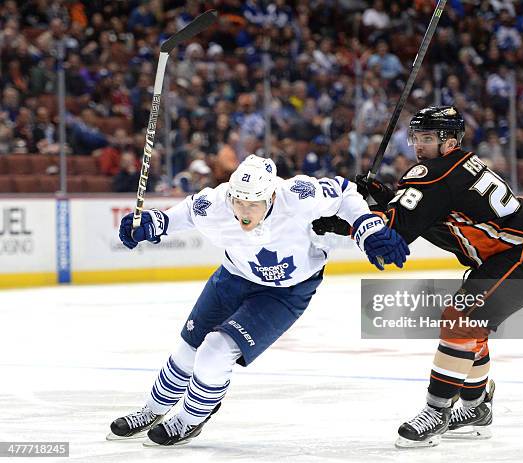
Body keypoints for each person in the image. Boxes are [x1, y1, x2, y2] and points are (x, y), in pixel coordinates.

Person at [108, 154, 408, 446]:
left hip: (287, 291)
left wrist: (368, 229)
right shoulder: (216, 203)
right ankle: (153, 409)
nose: (243, 212)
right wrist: (153, 222)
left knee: (216, 351)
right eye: (238, 202)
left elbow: (344, 192)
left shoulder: (298, 195)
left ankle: (190, 418)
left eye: (253, 204)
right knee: (188, 348)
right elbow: (185, 213)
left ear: (272, 197)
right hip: (233, 277)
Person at [312, 106, 523, 448]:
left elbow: (399, 227)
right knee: (470, 326)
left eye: (428, 138)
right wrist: (389, 197)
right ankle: (476, 407)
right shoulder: (458, 166)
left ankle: (437, 410)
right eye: (416, 137)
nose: (419, 145)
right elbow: (435, 215)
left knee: (460, 319)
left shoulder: (432, 175)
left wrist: (348, 221)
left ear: (449, 142)